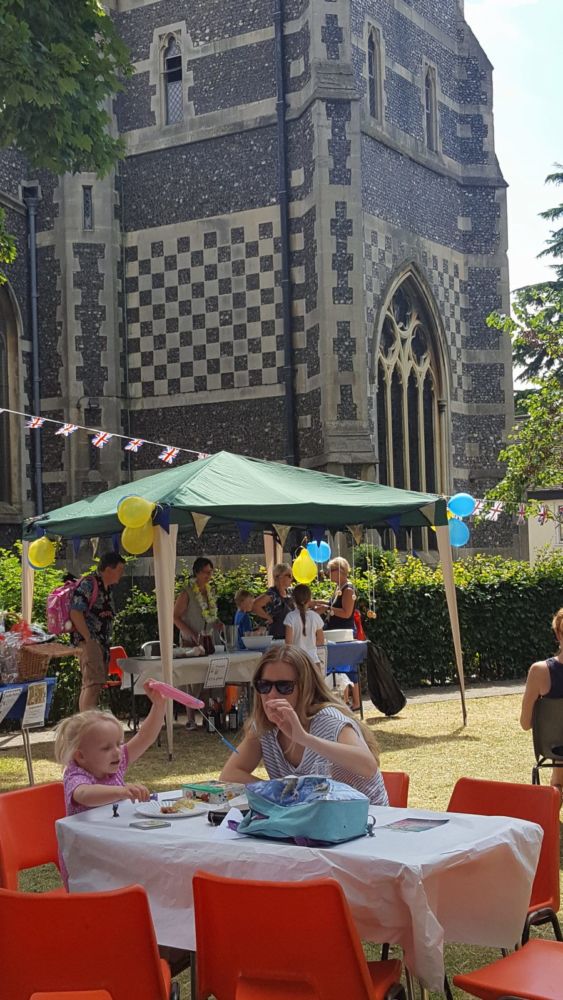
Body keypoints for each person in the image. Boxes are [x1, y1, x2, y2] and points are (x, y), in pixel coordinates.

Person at [220, 645, 388, 805]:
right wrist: (281, 792)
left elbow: (368, 766)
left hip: (367, 816)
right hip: (316, 818)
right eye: (264, 685)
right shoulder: (265, 727)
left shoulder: (328, 719)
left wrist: (304, 738)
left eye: (284, 686)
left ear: (305, 688)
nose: (272, 695)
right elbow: (229, 775)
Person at [54, 678, 166, 815]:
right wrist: (121, 791)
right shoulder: (76, 774)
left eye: (119, 744)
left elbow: (144, 737)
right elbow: (84, 794)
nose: (117, 752)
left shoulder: (116, 761)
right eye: (106, 748)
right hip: (86, 829)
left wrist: (159, 706)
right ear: (81, 756)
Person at [70, 552, 126, 713]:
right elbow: (75, 611)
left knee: (94, 683)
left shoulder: (107, 588)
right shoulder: (89, 584)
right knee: (93, 684)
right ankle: (87, 722)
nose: (122, 574)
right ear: (108, 569)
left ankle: (86, 720)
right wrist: (88, 638)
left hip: (101, 641)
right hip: (89, 641)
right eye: (120, 570)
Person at [173, 557, 223, 729]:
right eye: (205, 572)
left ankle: (209, 714)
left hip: (208, 640)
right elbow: (175, 617)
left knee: (208, 676)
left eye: (211, 572)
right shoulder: (187, 592)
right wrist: (191, 634)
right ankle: (190, 719)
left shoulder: (210, 591)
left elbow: (210, 616)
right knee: (192, 679)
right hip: (191, 642)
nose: (209, 576)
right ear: (196, 572)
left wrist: (217, 623)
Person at [520, 607, 563, 801]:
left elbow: (525, 723)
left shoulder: (539, 671)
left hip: (552, 748)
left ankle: (557, 789)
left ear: (558, 634)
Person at [313, 556, 360, 711]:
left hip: (344, 634)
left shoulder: (348, 589)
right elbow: (332, 605)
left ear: (340, 571)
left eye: (330, 570)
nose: (328, 573)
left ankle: (355, 702)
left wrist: (327, 609)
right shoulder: (339, 588)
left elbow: (346, 613)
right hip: (336, 633)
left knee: (348, 667)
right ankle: (343, 700)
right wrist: (318, 603)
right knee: (338, 667)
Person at [284, 584, 325, 667]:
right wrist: (309, 644)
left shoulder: (290, 617)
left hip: (297, 660)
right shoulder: (315, 616)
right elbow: (321, 641)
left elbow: (288, 643)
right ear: (310, 599)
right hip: (313, 660)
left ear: (293, 599)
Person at [253, 563, 295, 639]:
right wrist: (268, 617)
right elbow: (255, 605)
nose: (291, 578)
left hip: (290, 635)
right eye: (289, 575)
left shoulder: (290, 592)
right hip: (276, 636)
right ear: (280, 577)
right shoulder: (272, 594)